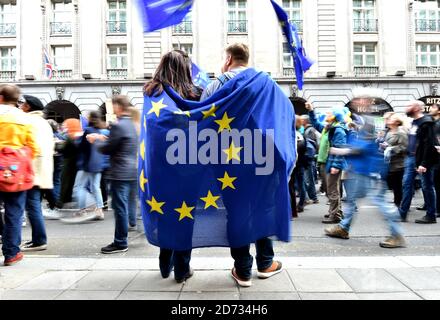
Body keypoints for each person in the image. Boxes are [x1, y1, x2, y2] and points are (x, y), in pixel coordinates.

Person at [201, 43, 283, 287]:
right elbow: (281, 120)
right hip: (263, 159)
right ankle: (266, 263)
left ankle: (243, 269)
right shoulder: (268, 84)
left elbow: (202, 121)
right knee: (263, 209)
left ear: (228, 60)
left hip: (228, 162)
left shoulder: (216, 85)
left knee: (237, 213)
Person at [143, 50, 202, 283]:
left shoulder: (151, 91)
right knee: (185, 215)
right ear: (186, 68)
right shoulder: (194, 93)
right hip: (188, 165)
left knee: (164, 212)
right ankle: (182, 268)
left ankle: (164, 263)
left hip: (159, 166)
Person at [324, 115, 406, 248]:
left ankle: (396, 234)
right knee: (351, 201)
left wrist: (339, 151)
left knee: (380, 203)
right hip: (361, 172)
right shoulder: (370, 132)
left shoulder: (368, 133)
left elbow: (359, 149)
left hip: (369, 174)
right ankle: (343, 228)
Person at [87, 95, 138, 254]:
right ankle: (125, 234)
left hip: (120, 172)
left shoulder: (119, 125)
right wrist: (105, 138)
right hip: (132, 170)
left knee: (120, 208)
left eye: (113, 106)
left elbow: (108, 149)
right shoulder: (132, 124)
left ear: (118, 106)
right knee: (128, 204)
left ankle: (120, 242)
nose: (112, 109)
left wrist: (96, 140)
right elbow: (121, 143)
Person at [0, 85, 39, 265]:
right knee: (14, 212)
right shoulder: (23, 118)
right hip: (15, 172)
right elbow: (33, 148)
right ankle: (11, 253)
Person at [19, 95, 54, 252]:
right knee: (34, 205)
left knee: (32, 206)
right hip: (43, 169)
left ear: (28, 107)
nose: (21, 106)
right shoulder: (44, 123)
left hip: (33, 169)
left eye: (23, 104)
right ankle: (37, 239)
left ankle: (39, 240)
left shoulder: (29, 121)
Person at [306, 103, 348, 224]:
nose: (327, 114)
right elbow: (315, 124)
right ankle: (336, 212)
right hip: (326, 162)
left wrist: (336, 165)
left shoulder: (338, 130)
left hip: (331, 163)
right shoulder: (329, 128)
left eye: (330, 113)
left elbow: (340, 148)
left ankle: (335, 215)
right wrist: (311, 110)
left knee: (332, 190)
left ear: (335, 116)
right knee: (331, 189)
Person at [62, 111, 106, 224]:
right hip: (98, 163)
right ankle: (100, 210)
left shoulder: (88, 130)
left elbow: (80, 147)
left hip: (87, 163)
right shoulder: (99, 131)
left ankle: (83, 209)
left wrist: (76, 139)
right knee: (96, 187)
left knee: (79, 187)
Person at [399, 101, 439, 224]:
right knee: (406, 184)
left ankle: (431, 215)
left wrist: (424, 163)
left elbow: (429, 144)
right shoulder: (414, 123)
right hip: (411, 159)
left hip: (422, 160)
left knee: (427, 186)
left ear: (416, 108)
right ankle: (402, 212)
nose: (406, 107)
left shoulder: (426, 122)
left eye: (409, 105)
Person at [381, 114, 408, 207]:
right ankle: (397, 202)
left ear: (397, 122)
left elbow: (404, 147)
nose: (388, 120)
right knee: (392, 184)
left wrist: (391, 148)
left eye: (391, 119)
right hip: (389, 162)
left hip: (398, 163)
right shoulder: (389, 132)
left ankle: (399, 204)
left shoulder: (401, 132)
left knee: (397, 185)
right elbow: (388, 144)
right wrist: (384, 146)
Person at [301, 115, 320, 204]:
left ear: (305, 121)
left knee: (309, 178)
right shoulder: (307, 130)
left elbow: (311, 144)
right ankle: (310, 197)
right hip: (307, 157)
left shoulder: (310, 130)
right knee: (308, 178)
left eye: (302, 120)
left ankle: (313, 197)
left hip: (308, 157)